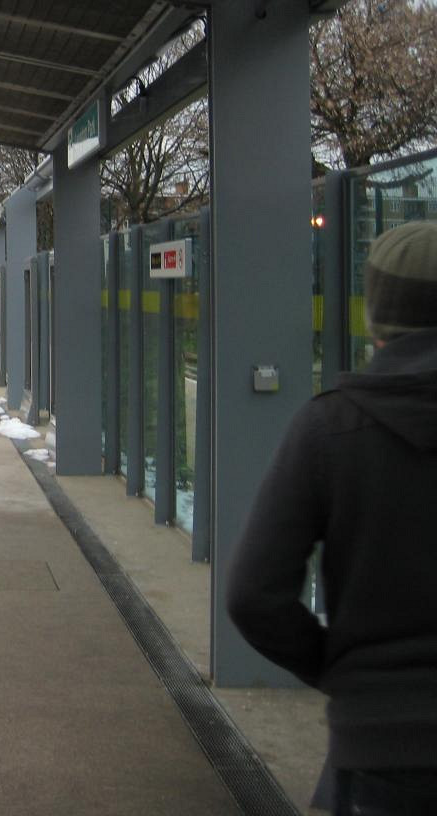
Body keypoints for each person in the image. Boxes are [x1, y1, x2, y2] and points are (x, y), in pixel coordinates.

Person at [226, 219, 437, 815]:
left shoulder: (331, 427)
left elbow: (253, 595)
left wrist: (342, 671)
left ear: (376, 317)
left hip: (382, 748)